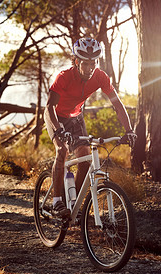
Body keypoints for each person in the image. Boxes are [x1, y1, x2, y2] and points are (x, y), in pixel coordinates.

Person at [44, 37, 136, 219]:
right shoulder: (64, 77)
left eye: (93, 63)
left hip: (76, 118)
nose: (89, 68)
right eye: (85, 64)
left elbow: (117, 105)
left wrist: (129, 130)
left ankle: (73, 203)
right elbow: (49, 107)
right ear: (77, 61)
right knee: (61, 150)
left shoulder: (100, 77)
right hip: (56, 116)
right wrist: (59, 129)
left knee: (85, 160)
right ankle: (56, 202)